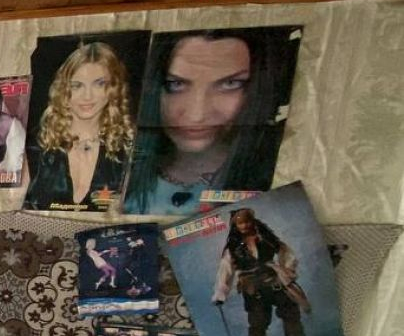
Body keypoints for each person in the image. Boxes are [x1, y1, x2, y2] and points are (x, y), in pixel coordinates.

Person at [125, 29, 297, 215]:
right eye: (175, 84)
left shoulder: (281, 173)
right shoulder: (121, 171)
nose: (197, 115)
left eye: (230, 84)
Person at [24, 41, 136, 211]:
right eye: (77, 86)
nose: (87, 96)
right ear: (63, 89)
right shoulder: (35, 147)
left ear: (114, 88)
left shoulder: (128, 149)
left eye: (99, 84)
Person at [212, 207, 310, 336]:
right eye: (240, 223)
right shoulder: (232, 248)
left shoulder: (267, 238)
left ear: (253, 221)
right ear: (235, 225)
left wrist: (286, 271)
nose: (244, 225)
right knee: (258, 325)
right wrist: (220, 294)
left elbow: (287, 254)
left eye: (247, 221)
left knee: (291, 314)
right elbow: (225, 271)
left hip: (274, 282)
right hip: (253, 288)